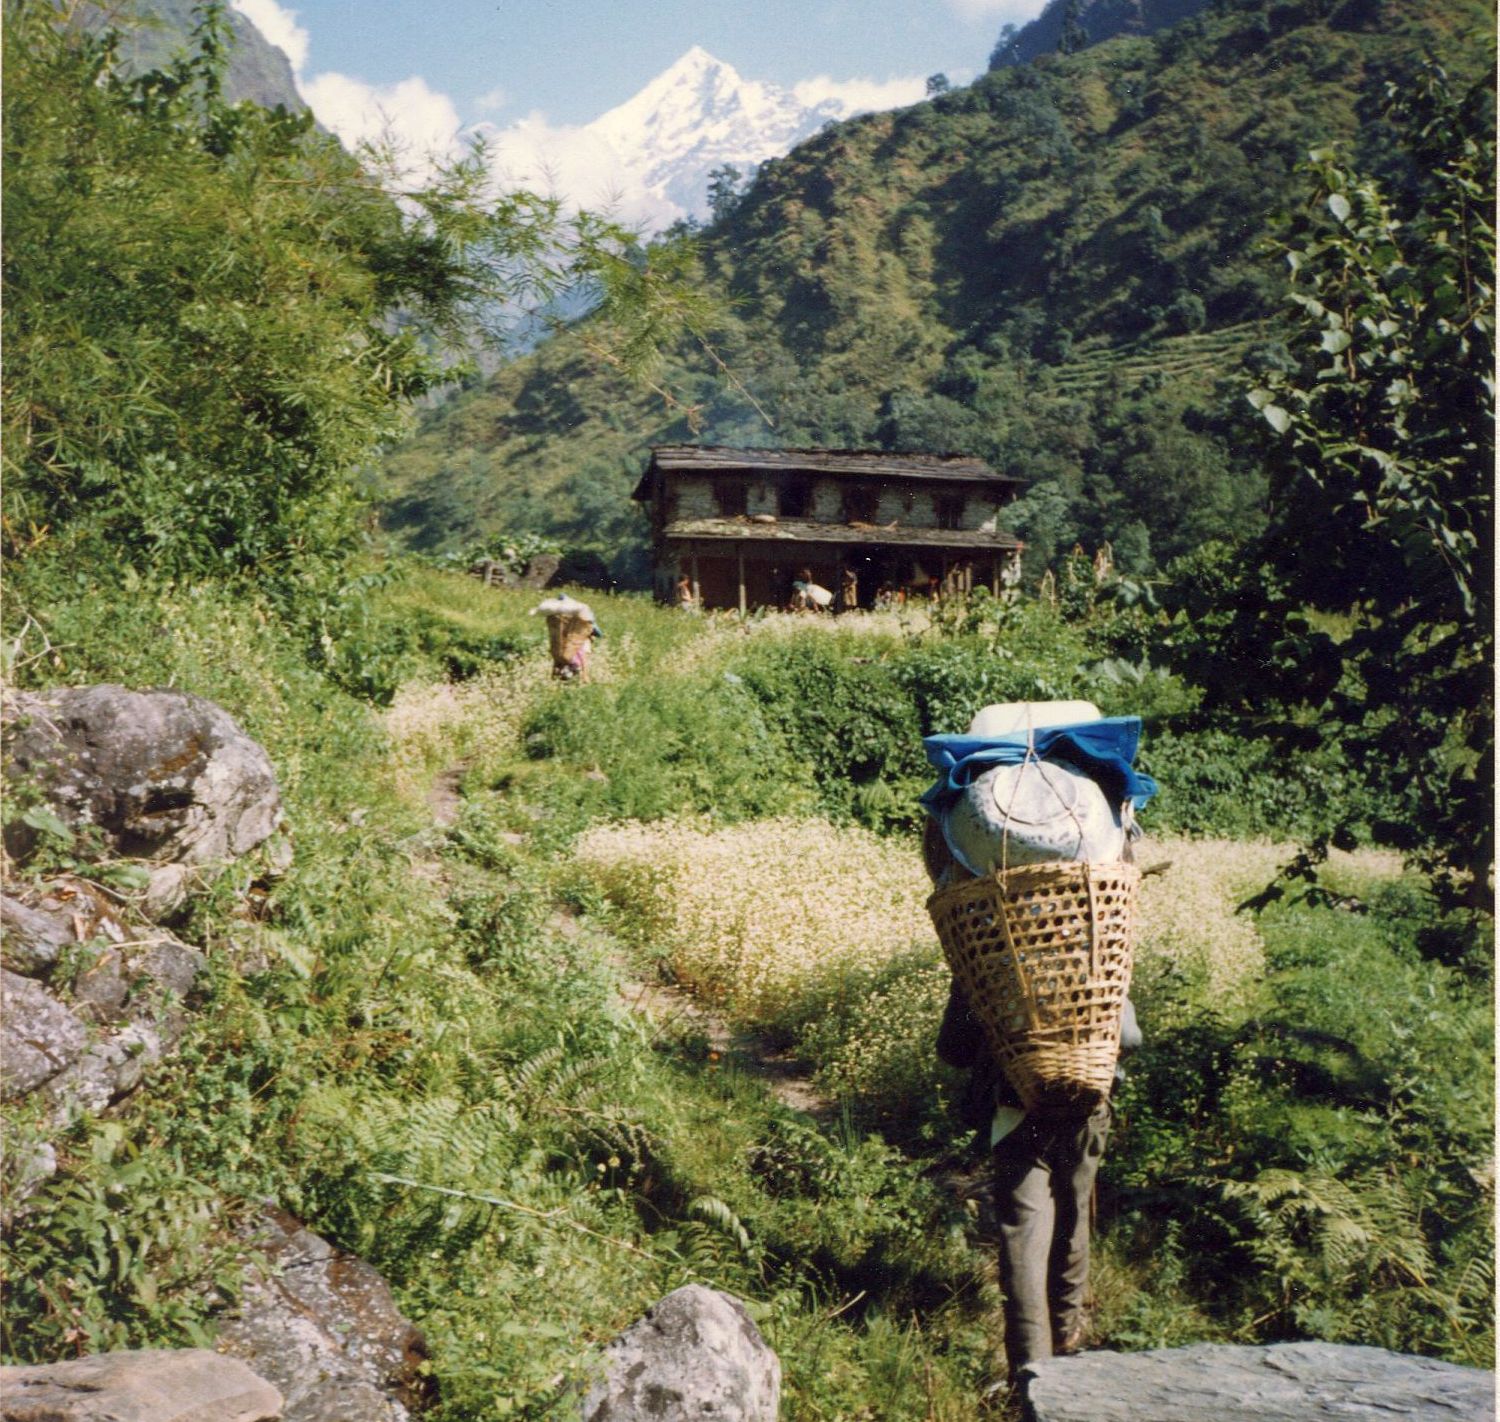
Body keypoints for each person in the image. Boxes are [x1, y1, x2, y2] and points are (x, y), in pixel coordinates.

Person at [927, 818, 1142, 1390]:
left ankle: (1032, 1375)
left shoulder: (991, 946)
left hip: (1013, 1110)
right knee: (1074, 1221)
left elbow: (953, 1049)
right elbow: (1134, 1037)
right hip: (1088, 1106)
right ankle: (1070, 1347)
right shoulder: (1097, 939)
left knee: (1023, 1235)